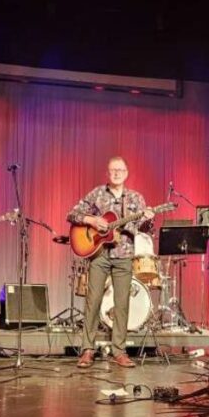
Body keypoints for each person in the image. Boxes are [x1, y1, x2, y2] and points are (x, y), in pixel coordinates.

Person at [67, 156, 155, 369]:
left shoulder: (136, 198)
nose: (116, 173)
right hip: (99, 254)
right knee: (93, 301)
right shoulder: (97, 193)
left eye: (120, 170)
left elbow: (144, 229)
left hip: (124, 255)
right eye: (113, 170)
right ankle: (87, 350)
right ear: (107, 173)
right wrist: (92, 220)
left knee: (122, 304)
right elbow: (72, 214)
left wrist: (149, 218)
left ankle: (119, 351)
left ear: (126, 173)